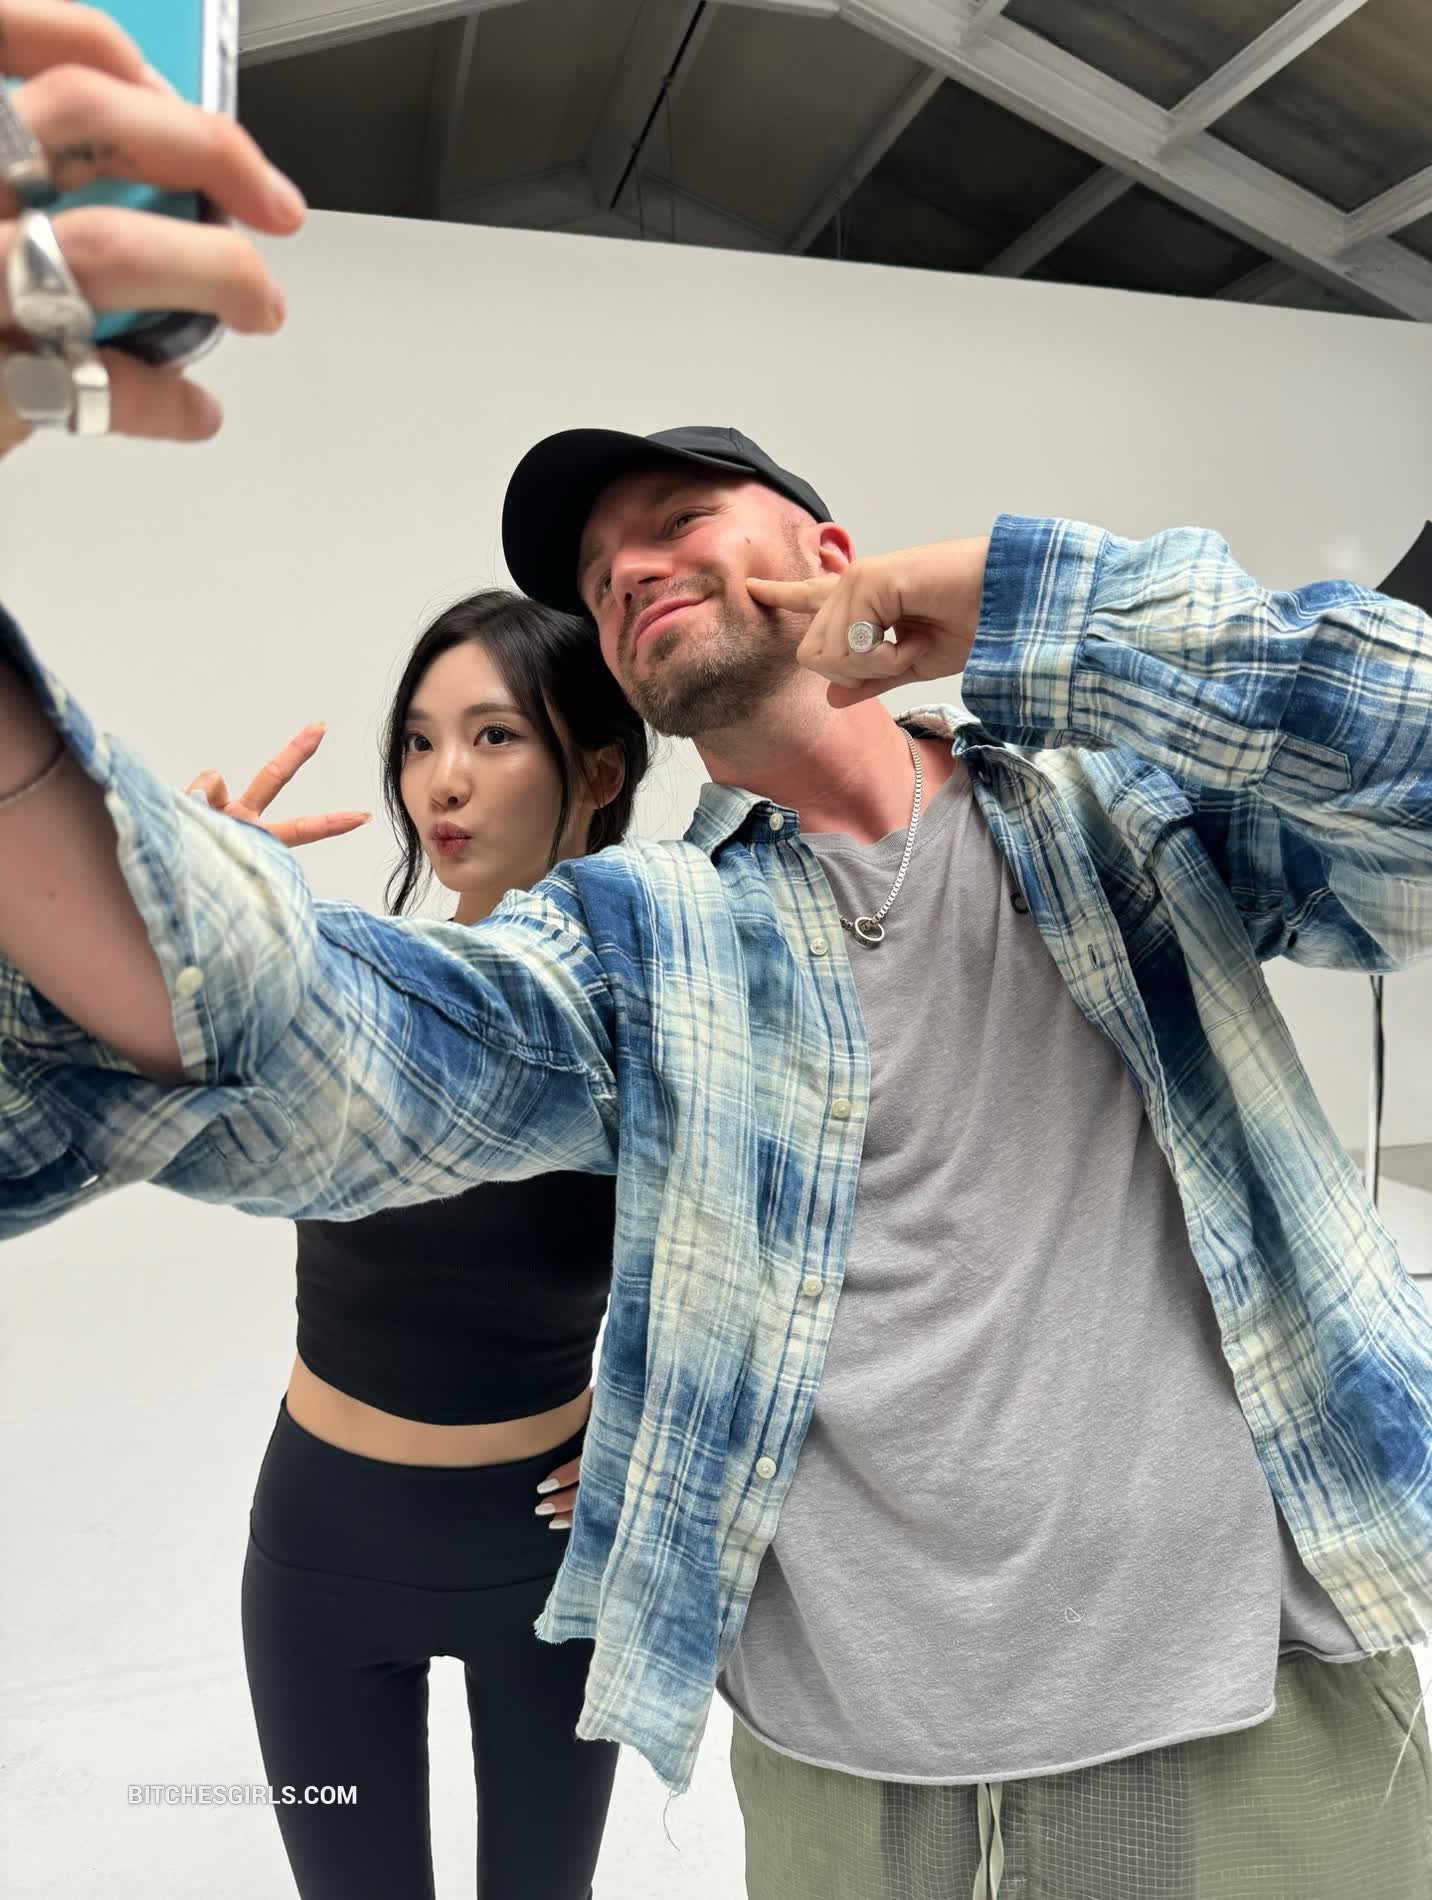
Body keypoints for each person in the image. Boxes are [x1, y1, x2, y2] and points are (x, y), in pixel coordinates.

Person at [2, 14, 1430, 1897]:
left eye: (675, 520)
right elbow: (326, 1053)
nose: (625, 568)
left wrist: (1020, 599)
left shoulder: (1130, 814)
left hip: (1256, 1721)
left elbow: (1404, 766)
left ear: (829, 547)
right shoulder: (650, 941)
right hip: (853, 1785)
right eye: (601, 577)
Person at [183, 589, 647, 1900]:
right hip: (324, 1546)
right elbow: (160, 1089)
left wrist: (661, 1420)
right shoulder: (350, 994)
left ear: (597, 771)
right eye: (420, 741)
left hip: (549, 1561)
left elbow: (771, 1257)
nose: (442, 781)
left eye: (494, 737)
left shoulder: (663, 1021)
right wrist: (198, 937)